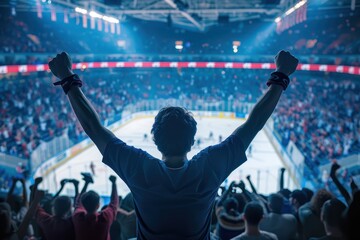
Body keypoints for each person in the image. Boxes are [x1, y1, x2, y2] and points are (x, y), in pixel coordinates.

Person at [48, 50, 298, 239]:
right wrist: (281, 77)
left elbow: (94, 128)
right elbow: (252, 125)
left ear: (154, 139)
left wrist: (68, 80)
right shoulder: (208, 166)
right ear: (192, 141)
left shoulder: (140, 168)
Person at [72, 175, 118, 240]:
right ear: (98, 206)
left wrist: (86, 183)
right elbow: (114, 204)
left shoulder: (78, 217)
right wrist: (114, 183)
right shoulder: (104, 218)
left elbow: (78, 203)